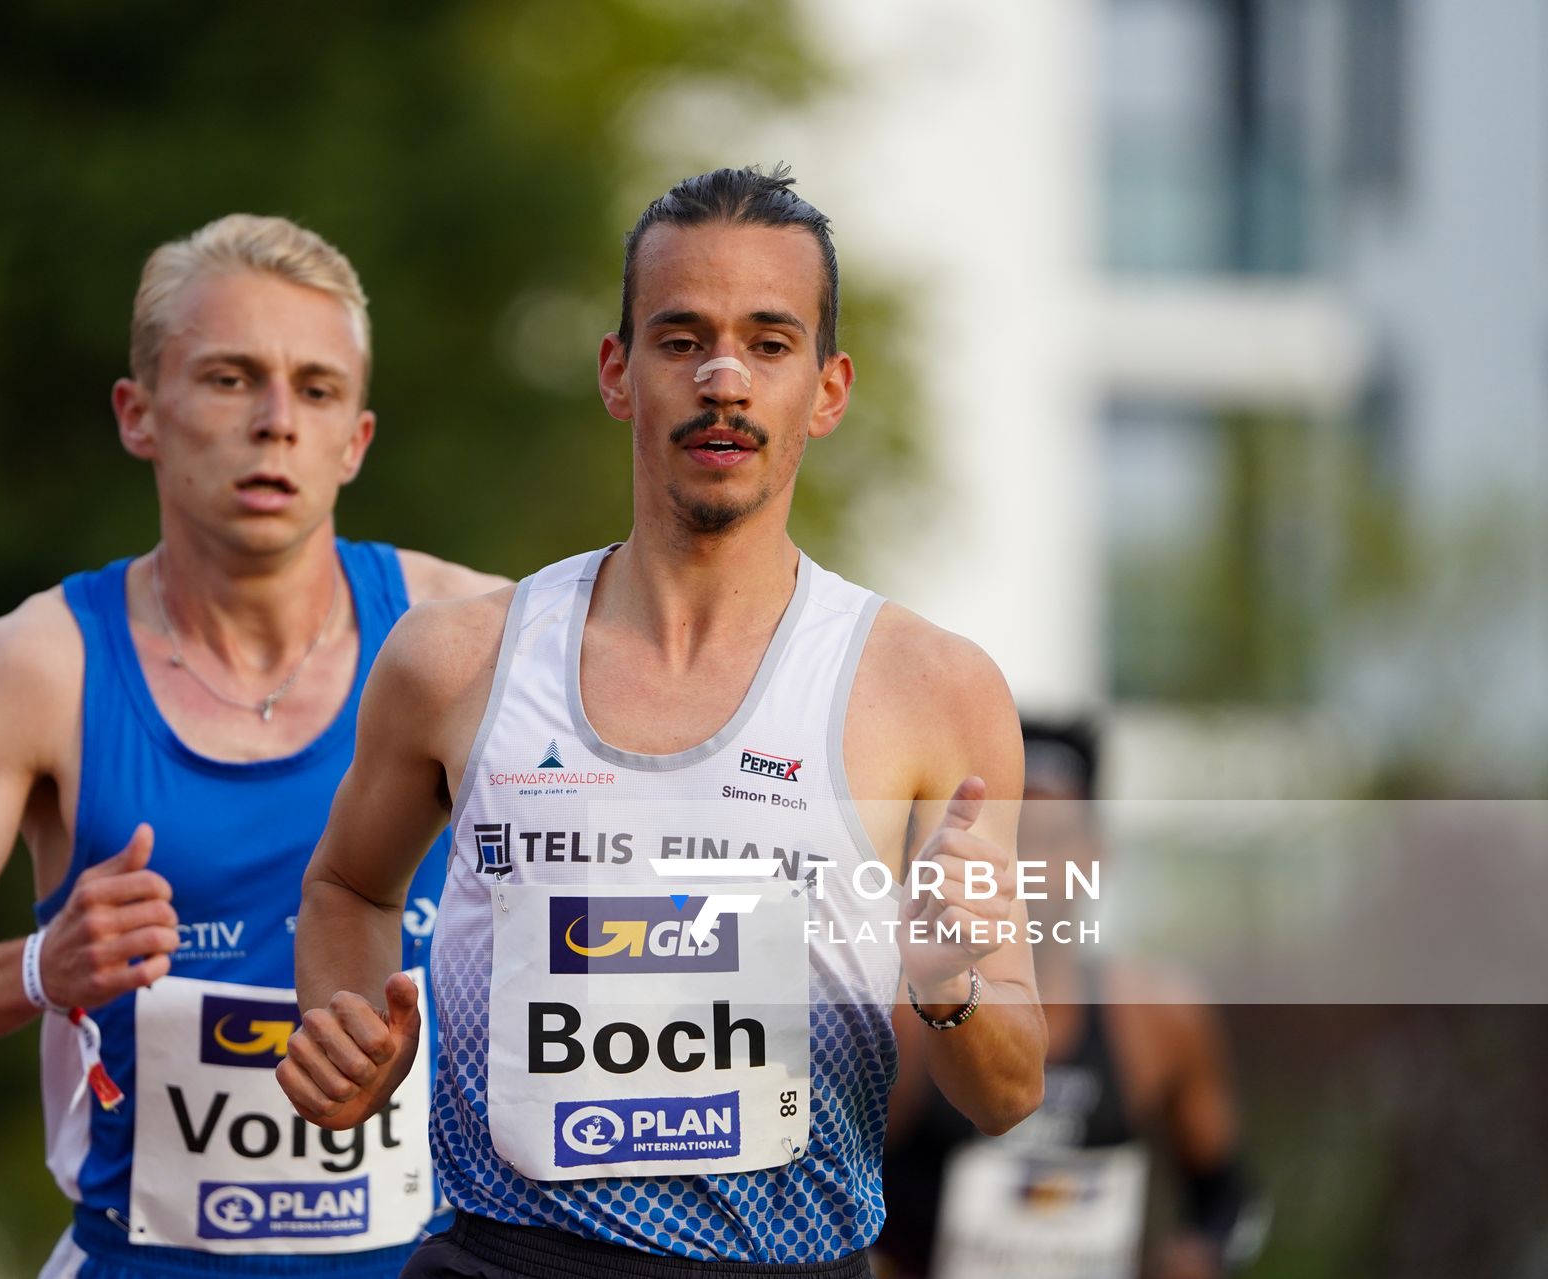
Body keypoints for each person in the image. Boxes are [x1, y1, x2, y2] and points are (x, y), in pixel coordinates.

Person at [278, 166, 1047, 1277]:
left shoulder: (933, 689)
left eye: (769, 343)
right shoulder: (459, 660)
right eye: (681, 339)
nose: (724, 377)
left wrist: (950, 985)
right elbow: (349, 885)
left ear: (827, 391)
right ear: (617, 371)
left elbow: (1012, 1090)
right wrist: (345, 1034)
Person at [0, 213, 508, 1279]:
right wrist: (44, 965)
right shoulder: (37, 667)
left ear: (355, 439)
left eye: (316, 390)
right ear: (140, 414)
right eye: (230, 379)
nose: (276, 422)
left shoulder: (471, 640)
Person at [873, 718, 1269, 1279]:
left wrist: (1197, 1257)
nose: (1031, 863)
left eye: (1054, 838)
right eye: (1014, 837)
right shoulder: (905, 1013)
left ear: (1098, 855)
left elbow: (1227, 1199)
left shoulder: (1157, 1017)